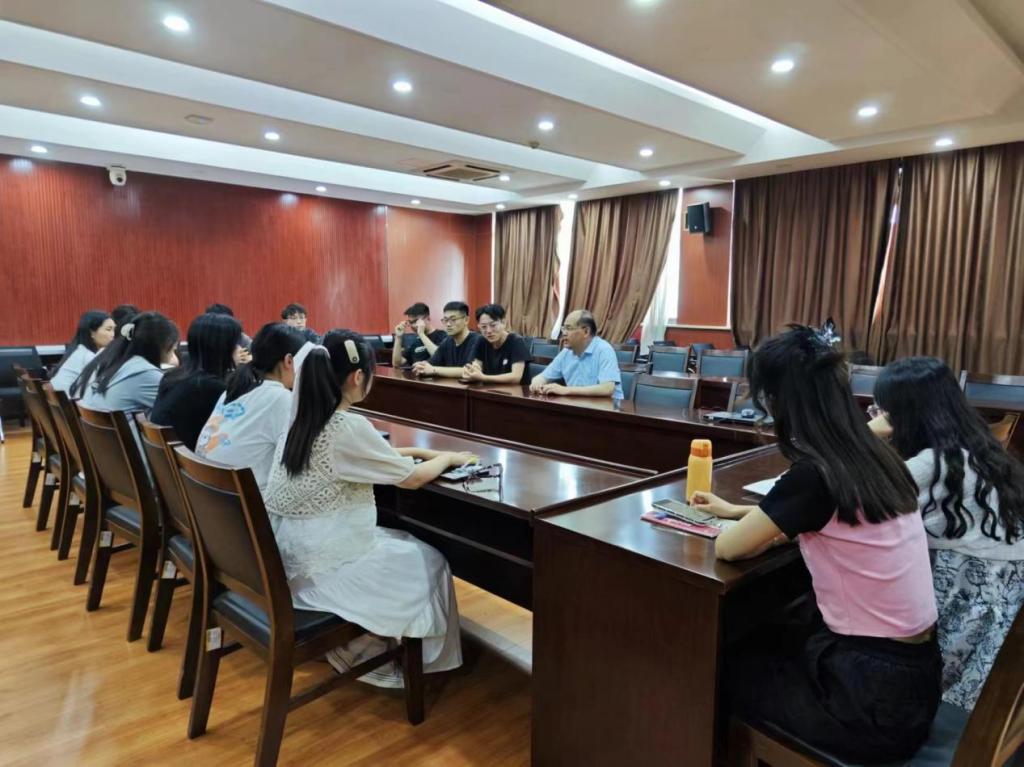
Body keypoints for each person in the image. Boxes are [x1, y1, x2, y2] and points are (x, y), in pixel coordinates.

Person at [689, 326, 941, 764]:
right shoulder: (876, 457)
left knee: (711, 663)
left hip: (865, 701)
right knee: (768, 632)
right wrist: (743, 512)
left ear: (779, 402)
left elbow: (728, 549)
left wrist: (752, 529)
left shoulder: (816, 473)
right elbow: (823, 519)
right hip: (915, 683)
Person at [263, 329, 474, 687]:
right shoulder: (346, 425)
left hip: (289, 563)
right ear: (358, 377)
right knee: (431, 561)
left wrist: (421, 452)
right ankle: (381, 653)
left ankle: (370, 641)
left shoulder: (301, 419)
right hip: (324, 574)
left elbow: (365, 455)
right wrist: (449, 458)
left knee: (401, 540)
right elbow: (411, 479)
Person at [870, 357, 1024, 710]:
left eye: (882, 410)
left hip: (972, 599)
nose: (878, 417)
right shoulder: (975, 445)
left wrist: (865, 434)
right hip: (1005, 589)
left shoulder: (930, 463)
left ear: (904, 414)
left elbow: (854, 505)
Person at [196, 322, 306, 491]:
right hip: (244, 502)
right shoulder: (280, 398)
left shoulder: (234, 388)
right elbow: (300, 463)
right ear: (289, 361)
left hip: (208, 493)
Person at [150, 313, 242, 450]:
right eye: (235, 343)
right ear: (223, 347)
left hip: (168, 459)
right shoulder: (210, 387)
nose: (239, 349)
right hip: (190, 461)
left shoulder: (173, 376)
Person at [71, 312, 180, 411]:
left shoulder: (117, 361)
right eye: (172, 342)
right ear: (158, 344)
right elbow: (180, 410)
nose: (175, 347)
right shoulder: (144, 374)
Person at [528, 310, 622, 400]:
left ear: (586, 332)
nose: (564, 333)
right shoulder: (566, 353)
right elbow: (543, 377)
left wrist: (565, 390)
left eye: (569, 328)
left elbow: (607, 388)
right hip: (578, 405)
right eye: (563, 328)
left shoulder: (604, 350)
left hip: (608, 408)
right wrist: (537, 383)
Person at [462, 303, 530, 385]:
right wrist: (470, 372)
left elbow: (516, 377)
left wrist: (483, 377)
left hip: (515, 391)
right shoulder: (481, 340)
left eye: (493, 325)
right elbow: (476, 367)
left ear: (503, 323)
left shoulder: (516, 341)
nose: (488, 331)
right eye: (483, 327)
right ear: (479, 326)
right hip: (488, 390)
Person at [411, 301, 481, 378]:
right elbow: (433, 362)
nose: (448, 324)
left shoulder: (477, 340)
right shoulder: (447, 341)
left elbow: (469, 371)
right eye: (445, 320)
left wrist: (433, 370)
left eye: (453, 320)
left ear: (466, 320)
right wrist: (422, 365)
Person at [50, 311, 116, 392]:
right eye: (108, 329)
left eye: (114, 330)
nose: (113, 335)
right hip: (70, 399)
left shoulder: (79, 351)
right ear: (92, 333)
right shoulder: (88, 357)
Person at [391, 302, 446, 367]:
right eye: (410, 322)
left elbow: (440, 357)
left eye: (416, 321)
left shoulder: (442, 335)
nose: (413, 325)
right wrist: (398, 337)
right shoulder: (415, 342)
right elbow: (396, 363)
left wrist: (421, 334)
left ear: (428, 318)